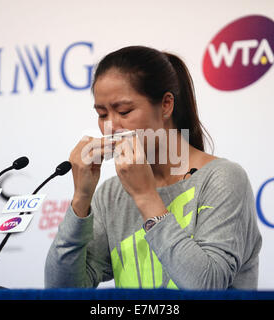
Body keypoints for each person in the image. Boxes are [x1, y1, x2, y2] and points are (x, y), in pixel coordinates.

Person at [44, 46, 262, 289]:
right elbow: (61, 292)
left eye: (124, 111)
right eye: (102, 114)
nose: (110, 126)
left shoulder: (222, 179)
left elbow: (207, 287)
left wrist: (146, 196)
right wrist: (81, 200)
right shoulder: (111, 194)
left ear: (166, 105)